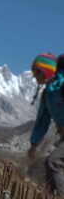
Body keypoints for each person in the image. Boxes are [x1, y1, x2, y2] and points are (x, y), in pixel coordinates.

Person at [28, 53, 64, 194]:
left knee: (54, 162)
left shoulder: (61, 87)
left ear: (45, 71)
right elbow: (42, 121)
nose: (34, 76)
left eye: (36, 72)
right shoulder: (47, 94)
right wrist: (34, 144)